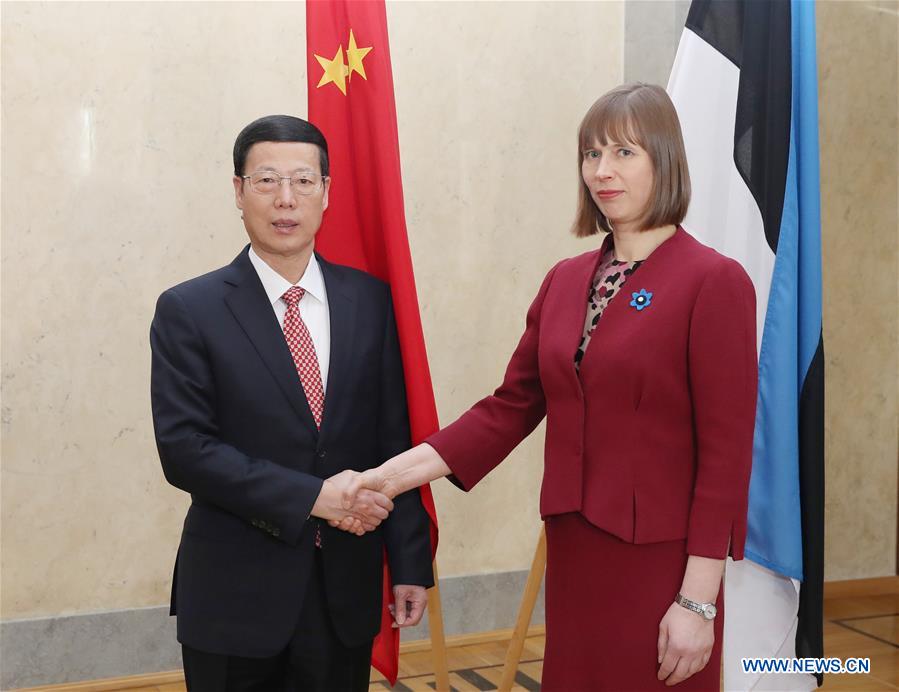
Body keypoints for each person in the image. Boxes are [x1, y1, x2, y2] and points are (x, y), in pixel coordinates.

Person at [340, 83, 757, 690]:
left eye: (624, 152)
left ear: (664, 160)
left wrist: (698, 602)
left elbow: (726, 457)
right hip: (575, 545)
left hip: (662, 560)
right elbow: (508, 408)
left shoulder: (714, 281)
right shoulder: (565, 280)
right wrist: (388, 476)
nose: (602, 171)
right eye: (592, 153)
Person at [150, 115, 434, 692]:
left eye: (303, 181)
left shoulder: (370, 301)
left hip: (344, 593)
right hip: (234, 596)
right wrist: (313, 498)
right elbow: (185, 451)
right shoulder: (189, 310)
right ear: (239, 192)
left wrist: (408, 563)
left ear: (326, 192)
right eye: (267, 180)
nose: (286, 199)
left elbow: (393, 441)